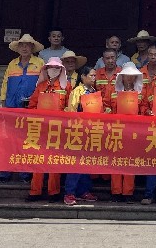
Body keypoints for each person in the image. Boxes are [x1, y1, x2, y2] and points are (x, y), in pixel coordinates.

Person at [0, 33, 44, 183]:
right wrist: (3, 102)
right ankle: (5, 172)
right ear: (18, 48)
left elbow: (43, 84)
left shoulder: (40, 63)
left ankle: (25, 173)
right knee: (9, 139)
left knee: (28, 139)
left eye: (27, 45)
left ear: (32, 48)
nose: (24, 48)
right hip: (12, 106)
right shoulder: (12, 64)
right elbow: (5, 84)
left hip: (31, 107)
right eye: (22, 45)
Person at [26, 57, 71, 201]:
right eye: (51, 67)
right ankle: (35, 192)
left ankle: (54, 192)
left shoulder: (66, 87)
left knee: (54, 161)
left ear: (61, 70)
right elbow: (32, 105)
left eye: (57, 68)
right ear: (46, 69)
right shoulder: (40, 86)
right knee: (38, 160)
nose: (53, 70)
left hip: (58, 129)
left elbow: (70, 108)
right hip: (40, 128)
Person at [62, 65, 101, 206]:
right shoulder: (77, 91)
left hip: (91, 131)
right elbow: (72, 111)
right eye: (91, 75)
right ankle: (69, 193)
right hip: (78, 130)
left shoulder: (95, 91)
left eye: (95, 76)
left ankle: (83, 191)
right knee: (75, 163)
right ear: (83, 76)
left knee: (86, 162)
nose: (94, 78)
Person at [111, 63, 144, 202]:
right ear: (122, 77)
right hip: (116, 130)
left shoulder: (141, 92)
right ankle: (116, 192)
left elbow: (144, 109)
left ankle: (128, 192)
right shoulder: (113, 91)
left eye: (132, 76)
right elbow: (106, 106)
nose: (129, 79)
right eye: (127, 76)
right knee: (116, 162)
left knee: (130, 162)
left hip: (133, 132)